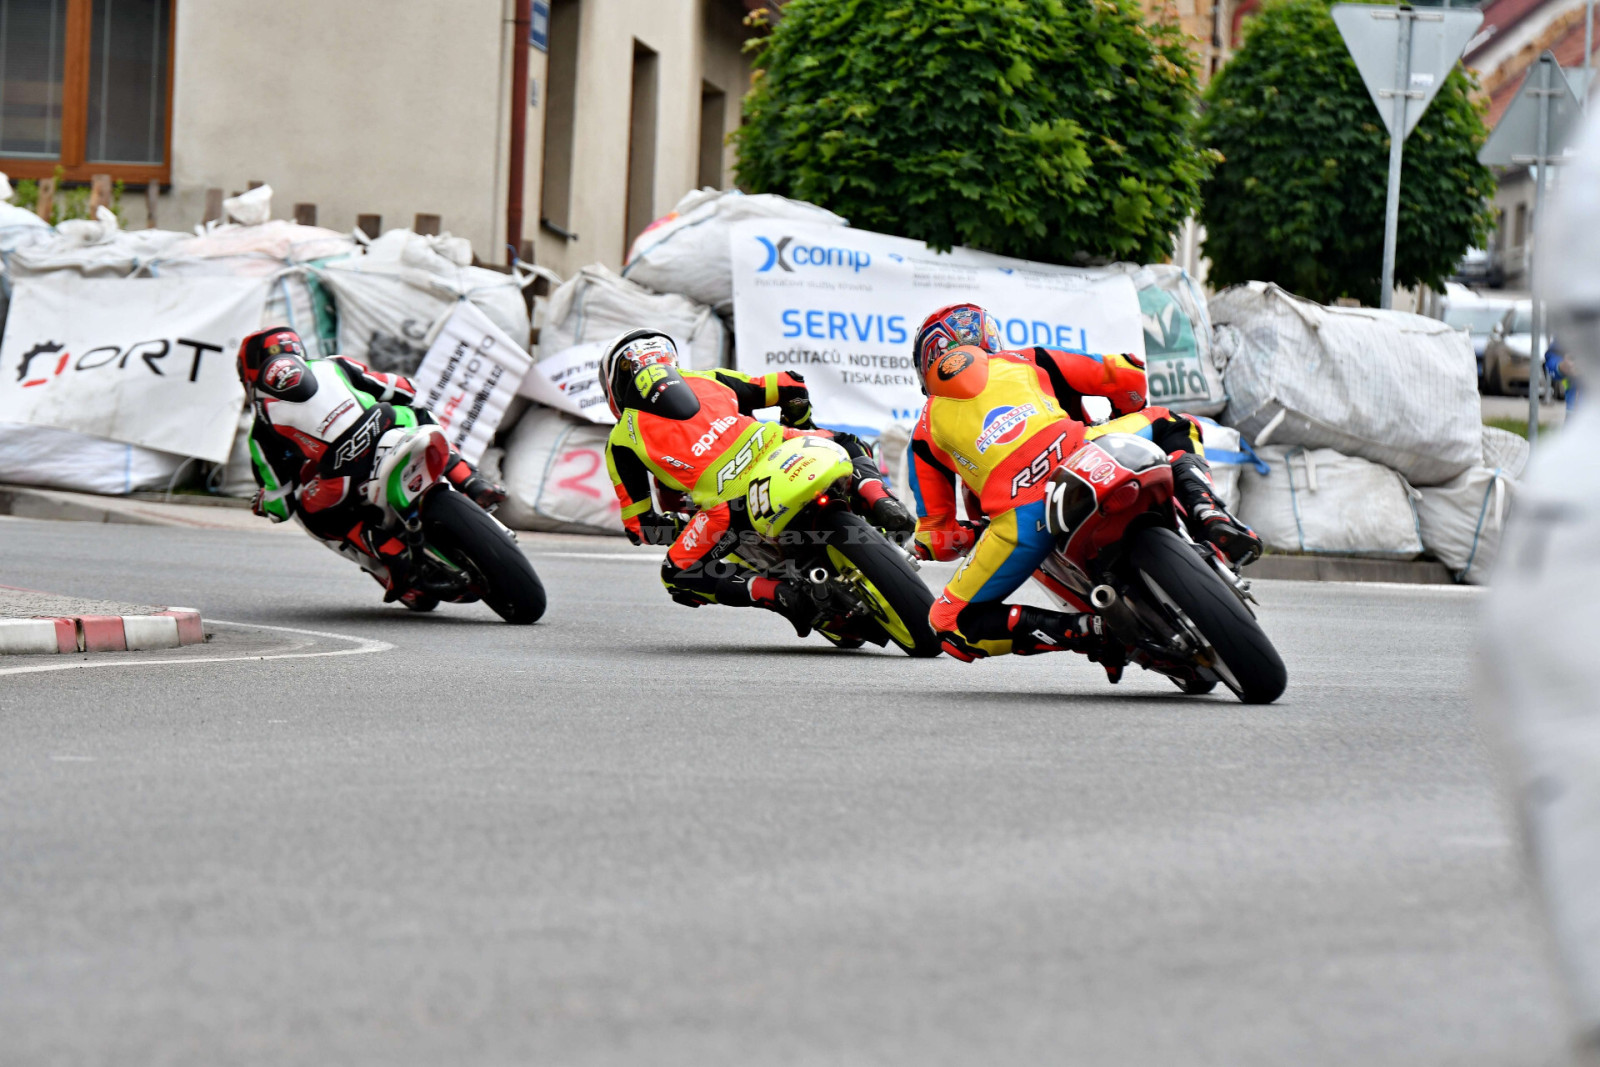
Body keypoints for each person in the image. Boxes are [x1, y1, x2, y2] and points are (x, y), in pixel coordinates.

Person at [907, 302, 1260, 664]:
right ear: (988, 336)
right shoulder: (1026, 359)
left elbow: (935, 538)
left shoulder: (924, 430)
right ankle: (1209, 512)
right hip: (1086, 452)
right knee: (1174, 423)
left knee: (948, 622)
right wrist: (1123, 418)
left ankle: (1088, 630)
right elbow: (1128, 373)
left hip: (1023, 520)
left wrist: (971, 535)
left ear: (926, 368)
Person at [600, 328, 911, 635]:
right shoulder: (709, 378)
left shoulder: (621, 439)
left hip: (730, 505)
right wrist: (800, 425)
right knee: (846, 442)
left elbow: (640, 527)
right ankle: (881, 500)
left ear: (615, 385)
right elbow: (790, 383)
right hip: (782, 446)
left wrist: (679, 526)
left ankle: (781, 595)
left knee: (676, 574)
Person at [239, 326, 505, 605]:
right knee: (421, 416)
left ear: (250, 373)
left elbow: (281, 504)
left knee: (314, 517)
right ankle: (471, 481)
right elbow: (403, 387)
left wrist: (264, 503)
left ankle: (394, 554)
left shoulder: (262, 424)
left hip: (342, 471)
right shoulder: (334, 364)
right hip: (387, 424)